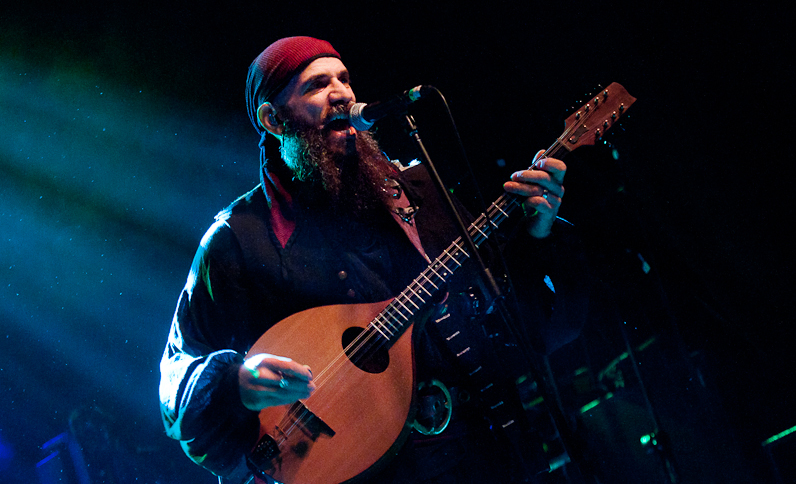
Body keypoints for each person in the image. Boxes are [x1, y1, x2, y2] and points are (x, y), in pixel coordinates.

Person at [159, 36, 590, 484]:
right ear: (274, 119)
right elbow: (177, 375)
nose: (342, 93)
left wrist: (541, 233)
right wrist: (235, 385)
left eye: (344, 79)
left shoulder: (418, 191)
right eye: (317, 85)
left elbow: (529, 327)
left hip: (489, 453)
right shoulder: (239, 239)